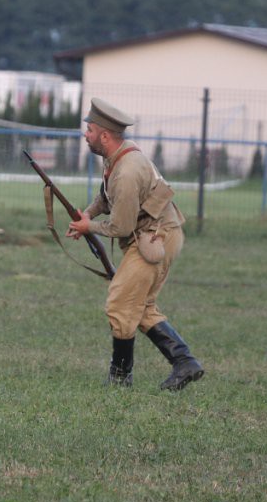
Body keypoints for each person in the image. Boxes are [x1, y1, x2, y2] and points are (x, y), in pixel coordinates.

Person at [66, 99, 204, 391]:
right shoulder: (117, 157)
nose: (85, 135)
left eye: (89, 130)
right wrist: (88, 214)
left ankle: (120, 377)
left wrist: (87, 227)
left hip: (155, 237)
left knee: (120, 301)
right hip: (154, 234)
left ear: (104, 135)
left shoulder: (127, 171)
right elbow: (106, 196)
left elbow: (121, 227)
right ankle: (185, 362)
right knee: (137, 305)